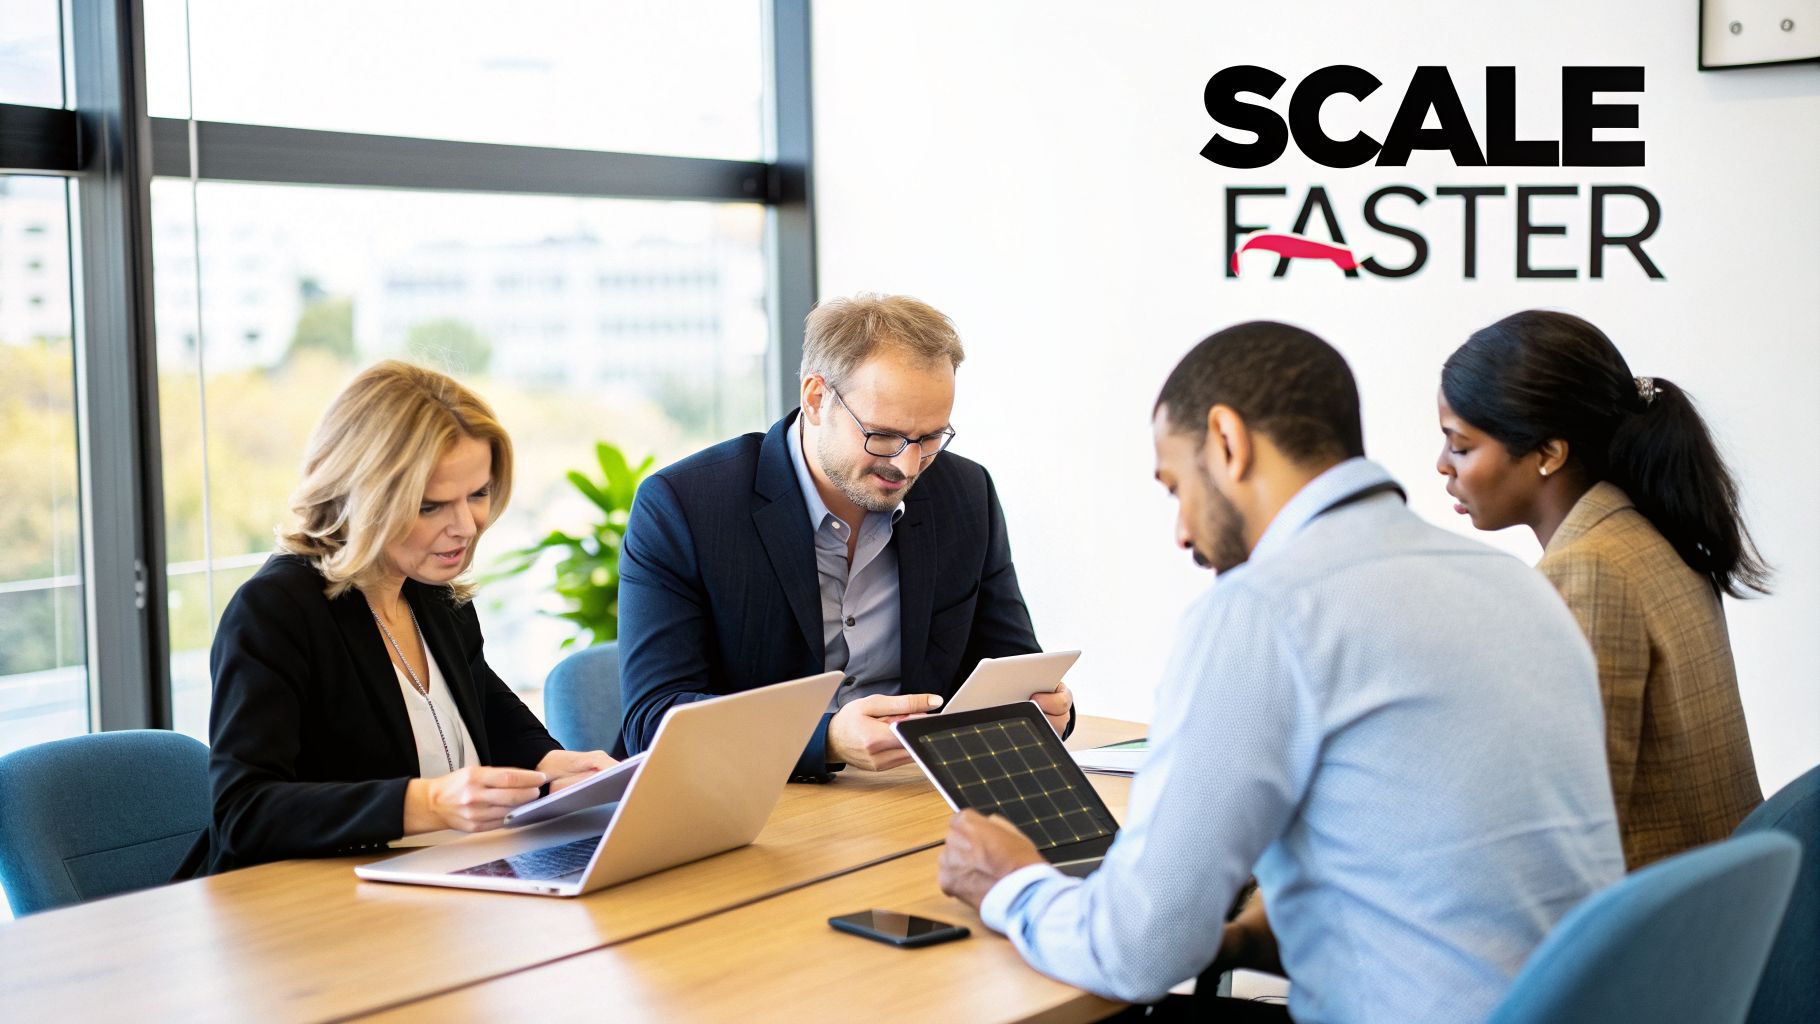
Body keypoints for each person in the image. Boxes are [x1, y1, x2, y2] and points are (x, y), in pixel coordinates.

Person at [937, 322, 1624, 1023]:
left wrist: (1011, 884)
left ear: (1227, 441)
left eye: (1177, 487)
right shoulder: (1512, 583)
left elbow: (1138, 950)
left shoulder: (1267, 607)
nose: (1182, 531)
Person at [178, 362, 612, 876]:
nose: (466, 526)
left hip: (436, 886)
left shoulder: (433, 592)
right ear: (363, 496)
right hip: (298, 904)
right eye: (431, 506)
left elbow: (491, 714)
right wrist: (428, 803)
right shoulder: (275, 610)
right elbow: (244, 812)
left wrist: (553, 766)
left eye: (478, 494)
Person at [617, 293, 1068, 782]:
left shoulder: (964, 493)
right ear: (816, 399)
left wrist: (1044, 708)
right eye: (884, 436)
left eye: (930, 438)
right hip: (750, 795)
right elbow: (654, 719)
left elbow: (1012, 663)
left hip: (909, 792)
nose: (907, 466)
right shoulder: (684, 506)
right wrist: (825, 739)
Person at [1437, 310, 1767, 868]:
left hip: (1647, 910)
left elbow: (1572, 821)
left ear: (1548, 453)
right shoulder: (1643, 531)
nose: (1442, 466)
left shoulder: (1588, 570)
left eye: (1461, 447)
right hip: (1713, 900)